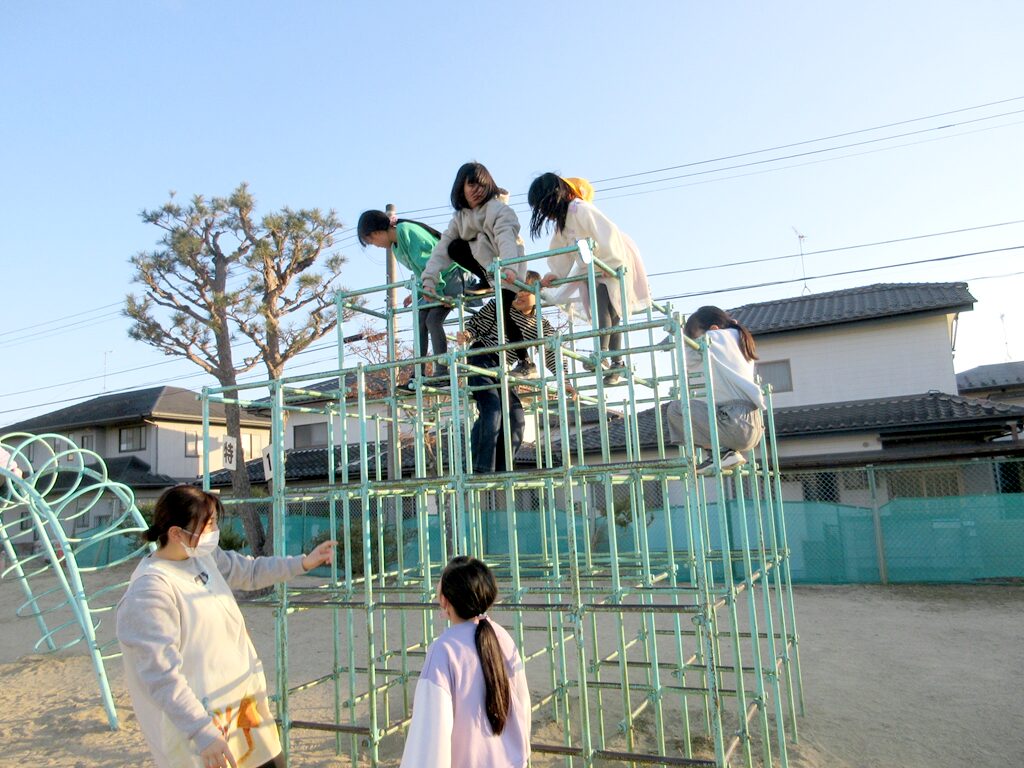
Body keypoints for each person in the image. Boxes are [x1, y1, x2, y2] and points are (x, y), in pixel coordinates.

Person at [116, 485, 337, 768]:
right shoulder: (150, 590)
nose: (214, 532)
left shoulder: (201, 557)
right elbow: (161, 675)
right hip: (202, 730)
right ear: (175, 533)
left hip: (243, 710)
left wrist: (303, 563)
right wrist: (202, 732)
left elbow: (249, 571)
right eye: (207, 525)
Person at [399, 556, 530, 768]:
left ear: (444, 601)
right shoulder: (502, 636)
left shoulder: (443, 650)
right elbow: (523, 708)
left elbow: (430, 738)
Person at [527, 173, 652, 385]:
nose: (543, 213)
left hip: (612, 259)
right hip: (591, 266)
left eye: (542, 206)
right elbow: (561, 251)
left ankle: (602, 354)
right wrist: (556, 273)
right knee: (609, 314)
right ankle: (616, 362)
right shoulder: (563, 223)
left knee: (606, 306)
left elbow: (607, 232)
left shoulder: (579, 208)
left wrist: (610, 262)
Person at [421, 162, 536, 378]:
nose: (476, 190)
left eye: (482, 185)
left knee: (502, 314)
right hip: (488, 269)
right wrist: (429, 280)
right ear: (461, 188)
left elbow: (506, 238)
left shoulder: (500, 210)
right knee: (454, 245)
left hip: (507, 268)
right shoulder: (460, 218)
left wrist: (508, 267)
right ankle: (484, 279)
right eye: (471, 184)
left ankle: (526, 362)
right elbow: (442, 248)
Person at [457, 271, 561, 473]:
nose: (519, 295)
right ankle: (480, 467)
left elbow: (551, 353)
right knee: (493, 409)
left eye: (525, 291)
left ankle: (503, 468)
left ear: (536, 294)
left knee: (516, 417)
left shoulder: (539, 324)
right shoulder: (500, 305)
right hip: (481, 359)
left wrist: (563, 379)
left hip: (503, 370)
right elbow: (477, 324)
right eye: (516, 290)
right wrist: (467, 334)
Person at [358, 209, 470, 387]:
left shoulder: (407, 231)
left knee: (433, 320)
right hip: (433, 281)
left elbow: (432, 261)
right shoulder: (396, 245)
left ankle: (442, 372)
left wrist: (429, 288)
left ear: (377, 231)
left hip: (450, 276)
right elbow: (420, 270)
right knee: (420, 320)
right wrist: (418, 290)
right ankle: (419, 373)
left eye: (372, 240)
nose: (376, 245)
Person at [666, 306, 764, 475]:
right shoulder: (738, 338)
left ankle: (719, 452)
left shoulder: (713, 337)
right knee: (705, 406)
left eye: (695, 337)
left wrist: (681, 334)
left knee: (676, 409)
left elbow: (686, 362)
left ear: (712, 329)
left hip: (735, 423)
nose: (696, 342)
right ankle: (725, 453)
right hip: (753, 424)